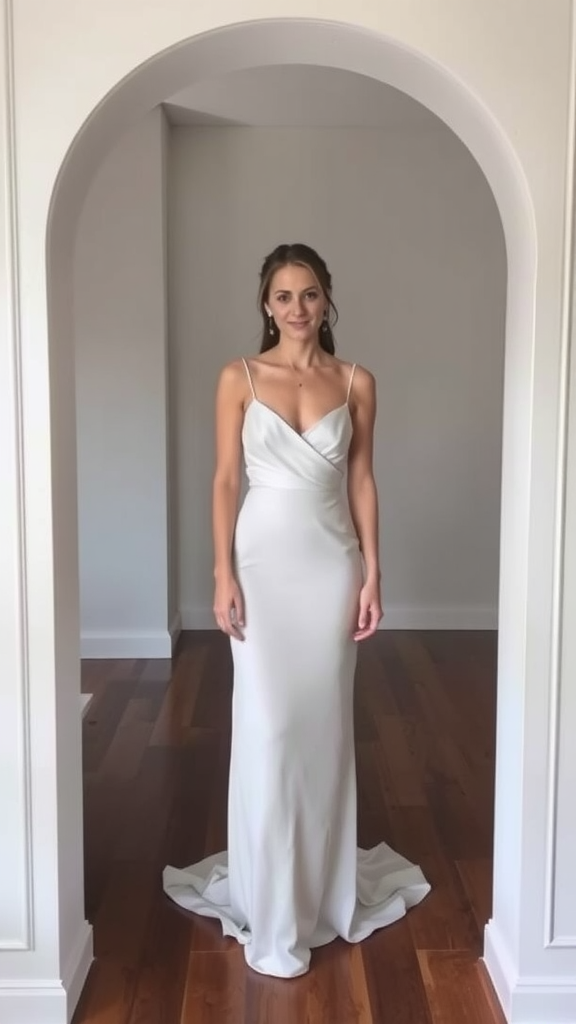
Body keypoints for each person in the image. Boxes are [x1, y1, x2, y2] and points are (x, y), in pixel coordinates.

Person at [163, 243, 430, 977]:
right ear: (265, 304)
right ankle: (269, 899)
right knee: (270, 726)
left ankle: (316, 891)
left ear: (327, 299)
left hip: (330, 566)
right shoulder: (238, 377)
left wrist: (374, 573)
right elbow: (223, 481)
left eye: (309, 294)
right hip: (260, 565)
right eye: (283, 296)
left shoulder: (358, 381)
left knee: (321, 729)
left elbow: (364, 481)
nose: (297, 309)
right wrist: (221, 572)